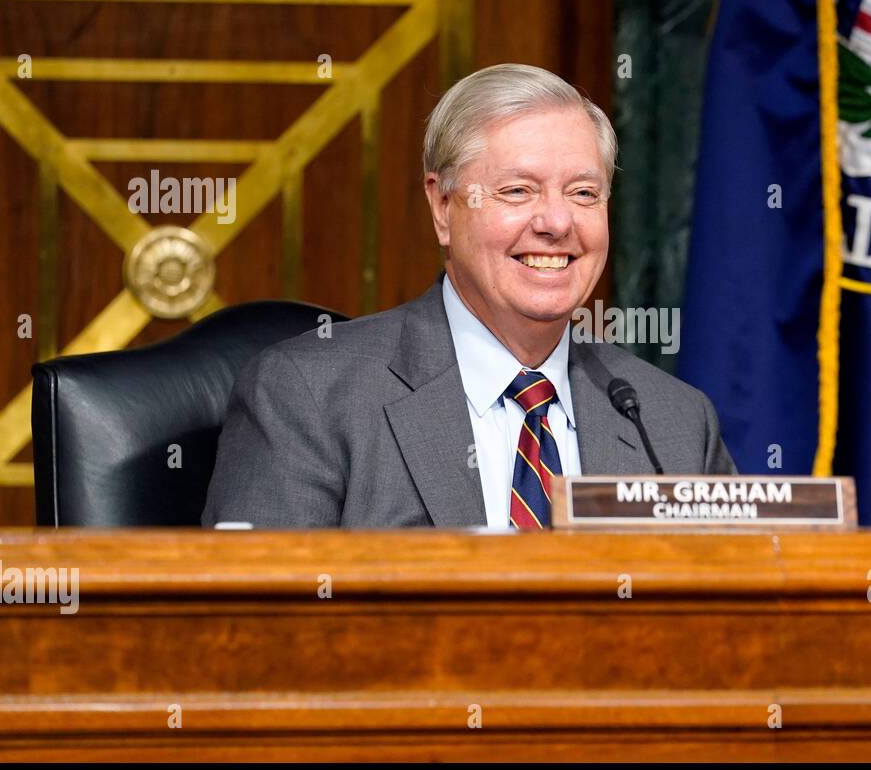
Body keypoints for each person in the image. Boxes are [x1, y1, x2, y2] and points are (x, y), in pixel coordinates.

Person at [202, 63, 734, 529]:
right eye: (518, 190)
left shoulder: (673, 422)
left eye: (583, 194)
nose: (556, 222)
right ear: (442, 207)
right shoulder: (308, 397)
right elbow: (255, 634)